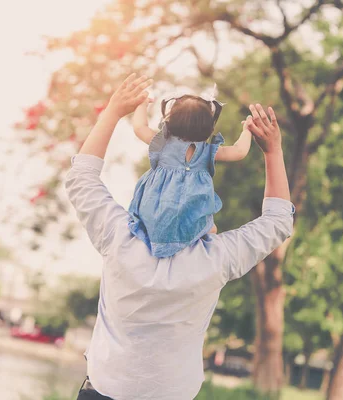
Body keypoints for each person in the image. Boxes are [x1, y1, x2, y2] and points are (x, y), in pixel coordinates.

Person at [66, 73, 294, 400]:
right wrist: (272, 152)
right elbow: (278, 221)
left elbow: (81, 179)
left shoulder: (118, 239)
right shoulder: (217, 260)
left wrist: (114, 111)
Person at [128, 90, 252, 257]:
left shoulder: (162, 143)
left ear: (169, 122)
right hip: (190, 220)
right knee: (211, 228)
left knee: (147, 219)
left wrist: (142, 104)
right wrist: (247, 130)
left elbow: (139, 127)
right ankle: (189, 244)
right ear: (210, 128)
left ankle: (159, 239)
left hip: (154, 217)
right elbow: (239, 151)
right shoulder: (208, 152)